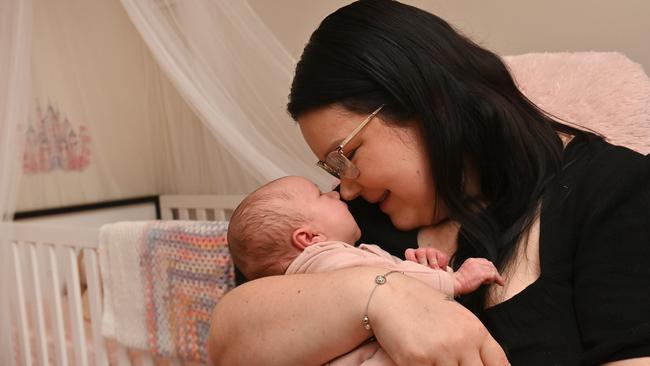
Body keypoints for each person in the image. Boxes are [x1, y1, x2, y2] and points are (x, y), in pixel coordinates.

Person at [208, 1, 650, 365]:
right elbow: (228, 340)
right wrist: (383, 295)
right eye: (332, 169)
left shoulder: (612, 189)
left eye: (347, 156)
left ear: (423, 103)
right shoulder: (353, 227)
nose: (345, 188)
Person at [227, 175, 505, 365]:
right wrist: (453, 281)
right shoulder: (326, 261)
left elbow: (396, 286)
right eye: (322, 196)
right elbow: (397, 286)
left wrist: (421, 269)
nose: (337, 193)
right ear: (308, 238)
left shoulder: (312, 274)